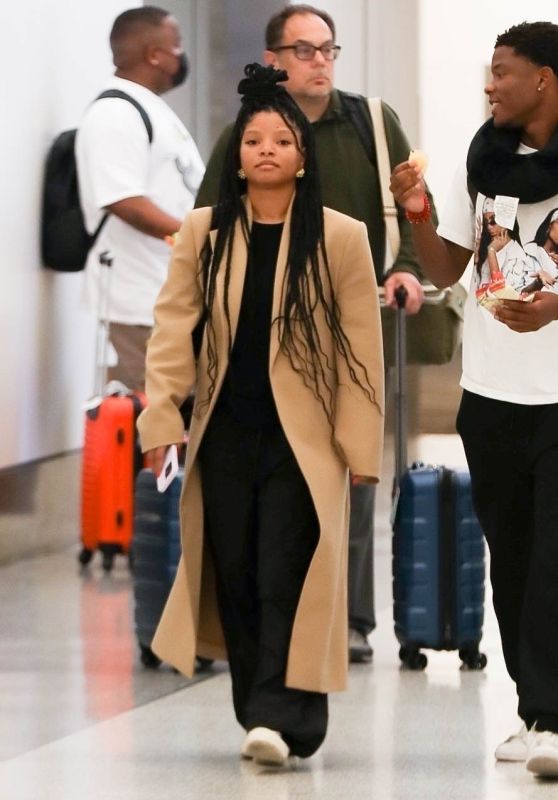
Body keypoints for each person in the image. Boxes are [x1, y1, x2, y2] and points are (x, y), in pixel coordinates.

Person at [137, 63, 384, 766]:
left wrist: (361, 446)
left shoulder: (338, 237)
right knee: (237, 571)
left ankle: (277, 716)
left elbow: (360, 348)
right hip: (224, 433)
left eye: (282, 140)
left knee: (286, 570)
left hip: (303, 442)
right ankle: (269, 715)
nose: (267, 150)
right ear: (237, 157)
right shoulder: (203, 233)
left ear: (303, 157)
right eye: (253, 141)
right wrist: (162, 420)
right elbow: (172, 332)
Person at [195, 3, 433, 665]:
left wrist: (407, 272)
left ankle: (352, 618)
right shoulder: (250, 133)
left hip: (352, 328)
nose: (320, 61)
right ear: (274, 59)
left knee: (350, 468)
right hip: (260, 336)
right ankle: (256, 614)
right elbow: (207, 226)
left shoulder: (373, 124)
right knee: (262, 475)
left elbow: (406, 214)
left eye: (327, 49)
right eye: (304, 51)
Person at [390, 21, 558, 779]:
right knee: (515, 554)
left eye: (502, 72)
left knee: (555, 557)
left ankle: (554, 716)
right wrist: (417, 213)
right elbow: (453, 269)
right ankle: (533, 710)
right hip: (490, 393)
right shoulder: (484, 157)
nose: (489, 86)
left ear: (545, 80)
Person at [76, 6, 204, 391]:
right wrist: (197, 237)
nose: (181, 55)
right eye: (176, 46)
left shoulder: (150, 106)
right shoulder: (115, 112)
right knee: (155, 412)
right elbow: (124, 201)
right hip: (138, 297)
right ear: (153, 54)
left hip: (165, 291)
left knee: (175, 410)